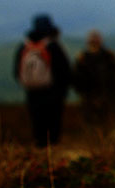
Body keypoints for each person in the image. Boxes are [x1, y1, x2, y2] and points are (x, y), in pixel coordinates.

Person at [13, 14, 71, 147]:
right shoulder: (52, 46)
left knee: (37, 123)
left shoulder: (25, 46)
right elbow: (64, 70)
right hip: (52, 93)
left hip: (32, 92)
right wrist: (62, 90)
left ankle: (40, 150)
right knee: (53, 124)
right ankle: (53, 153)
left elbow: (17, 71)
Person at [72, 30, 115, 128]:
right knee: (90, 121)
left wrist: (114, 92)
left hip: (105, 95)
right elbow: (77, 77)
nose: (94, 41)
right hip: (89, 95)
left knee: (105, 121)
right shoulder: (83, 57)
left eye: (95, 39)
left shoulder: (108, 56)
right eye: (93, 39)